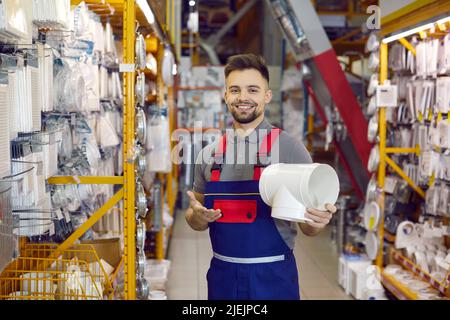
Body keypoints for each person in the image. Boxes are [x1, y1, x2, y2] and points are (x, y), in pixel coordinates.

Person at [185, 53, 337, 300]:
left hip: (273, 278)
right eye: (235, 90)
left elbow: (309, 228)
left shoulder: (291, 150)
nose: (243, 97)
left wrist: (317, 221)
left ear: (267, 96)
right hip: (223, 279)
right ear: (225, 96)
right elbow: (195, 218)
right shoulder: (208, 155)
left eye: (252, 90)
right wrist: (197, 216)